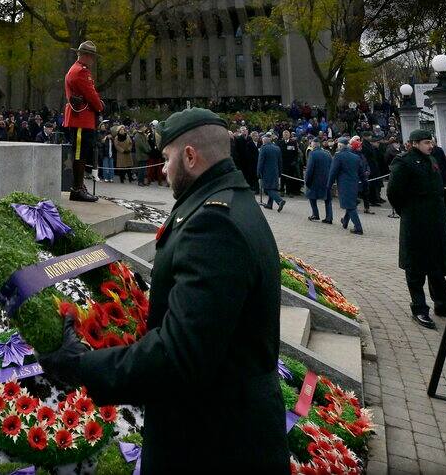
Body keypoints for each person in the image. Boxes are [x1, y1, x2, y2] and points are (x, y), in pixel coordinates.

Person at [39, 108, 288, 473]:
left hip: (213, 444)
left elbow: (180, 356)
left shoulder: (213, 224)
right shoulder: (224, 200)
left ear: (190, 156)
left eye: (168, 158)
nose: (165, 168)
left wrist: (82, 366)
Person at [388, 128, 446, 329]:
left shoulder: (431, 160)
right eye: (425, 142)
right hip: (415, 221)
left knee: (436, 265)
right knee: (415, 267)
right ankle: (419, 308)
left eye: (430, 142)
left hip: (435, 220)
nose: (430, 145)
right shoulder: (403, 162)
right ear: (414, 143)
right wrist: (407, 211)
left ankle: (443, 305)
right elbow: (394, 191)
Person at [62, 41, 104, 202]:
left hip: (80, 119)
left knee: (82, 153)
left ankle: (79, 186)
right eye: (92, 57)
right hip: (81, 119)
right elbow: (91, 94)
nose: (93, 60)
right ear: (86, 56)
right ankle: (77, 189)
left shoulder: (76, 70)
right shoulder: (81, 72)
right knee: (80, 154)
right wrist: (100, 106)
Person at [329, 138, 364, 235]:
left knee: (350, 206)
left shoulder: (338, 156)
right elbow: (361, 172)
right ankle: (345, 221)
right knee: (350, 203)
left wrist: (329, 185)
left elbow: (333, 172)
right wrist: (365, 184)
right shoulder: (356, 157)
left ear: (339, 146)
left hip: (344, 185)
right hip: (355, 184)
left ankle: (358, 227)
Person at [304, 138, 333, 223]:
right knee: (327, 199)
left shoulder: (313, 154)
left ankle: (315, 214)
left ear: (313, 145)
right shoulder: (327, 153)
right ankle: (329, 218)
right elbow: (331, 167)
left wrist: (307, 181)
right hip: (327, 180)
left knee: (311, 197)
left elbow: (309, 169)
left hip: (315, 181)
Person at [257, 133, 285, 212]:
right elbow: (280, 161)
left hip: (266, 172)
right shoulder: (277, 148)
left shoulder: (263, 148)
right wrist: (280, 172)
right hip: (275, 171)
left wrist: (258, 172)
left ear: (264, 141)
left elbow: (260, 162)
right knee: (272, 187)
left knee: (267, 188)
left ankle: (279, 201)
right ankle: (269, 204)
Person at [279, 130, 301, 196]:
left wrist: (294, 161)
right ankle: (282, 190)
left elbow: (296, 154)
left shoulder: (293, 143)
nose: (286, 135)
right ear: (283, 135)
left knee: (290, 178)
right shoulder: (280, 143)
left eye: (287, 134)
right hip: (282, 163)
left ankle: (289, 191)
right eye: (284, 134)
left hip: (291, 164)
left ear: (289, 135)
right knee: (282, 178)